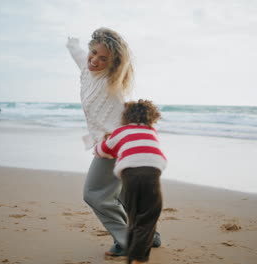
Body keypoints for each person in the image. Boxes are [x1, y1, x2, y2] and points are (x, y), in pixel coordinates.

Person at [66, 28, 160, 256]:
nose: (95, 60)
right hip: (111, 143)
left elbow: (122, 118)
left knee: (95, 193)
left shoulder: (112, 81)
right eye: (94, 53)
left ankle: (129, 241)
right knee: (124, 196)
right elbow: (80, 54)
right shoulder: (86, 71)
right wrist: (73, 42)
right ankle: (150, 236)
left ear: (113, 63)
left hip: (116, 144)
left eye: (103, 58)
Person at [94, 99, 166, 264]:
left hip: (131, 175)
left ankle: (134, 253)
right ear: (152, 117)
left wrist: (99, 143)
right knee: (149, 215)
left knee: (134, 216)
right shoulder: (152, 130)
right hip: (152, 174)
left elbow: (102, 151)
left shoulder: (121, 131)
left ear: (125, 117)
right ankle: (139, 257)